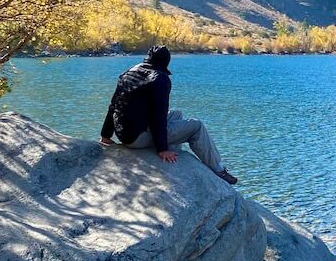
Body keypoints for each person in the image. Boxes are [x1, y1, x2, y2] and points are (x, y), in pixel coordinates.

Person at [100, 45, 238, 184]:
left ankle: (172, 155)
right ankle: (219, 170)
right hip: (136, 138)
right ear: (166, 62)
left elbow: (114, 106)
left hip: (124, 132)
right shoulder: (159, 79)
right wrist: (162, 149)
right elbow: (157, 116)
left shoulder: (129, 73)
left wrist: (105, 135)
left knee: (176, 114)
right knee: (196, 126)